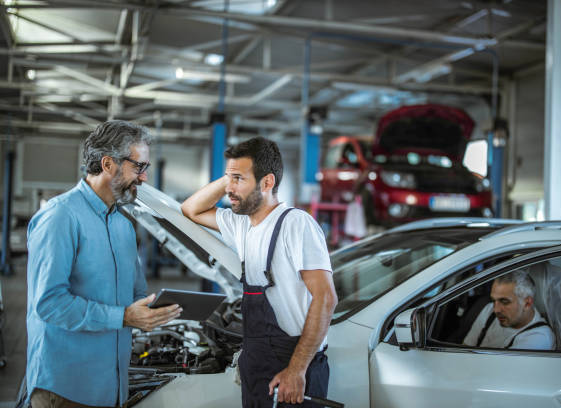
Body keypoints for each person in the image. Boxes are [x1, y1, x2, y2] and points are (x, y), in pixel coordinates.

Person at [26, 120, 182, 408]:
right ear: (108, 163)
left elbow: (135, 295)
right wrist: (123, 316)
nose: (144, 178)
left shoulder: (123, 226)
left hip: (111, 387)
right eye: (139, 167)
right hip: (65, 389)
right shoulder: (61, 217)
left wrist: (153, 310)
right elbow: (49, 304)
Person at [181, 137, 337, 407]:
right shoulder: (241, 225)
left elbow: (326, 298)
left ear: (267, 182)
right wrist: (231, 177)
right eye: (230, 179)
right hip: (256, 363)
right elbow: (190, 209)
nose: (230, 189)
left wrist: (297, 370)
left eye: (239, 179)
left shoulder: (296, 224)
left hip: (293, 368)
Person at [463, 270, 555, 350]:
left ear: (527, 303)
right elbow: (466, 348)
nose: (496, 310)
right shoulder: (489, 310)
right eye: (494, 300)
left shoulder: (539, 338)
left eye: (504, 302)